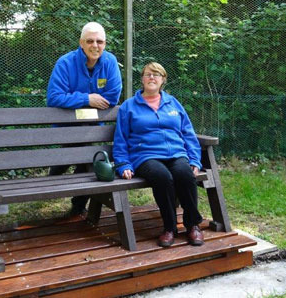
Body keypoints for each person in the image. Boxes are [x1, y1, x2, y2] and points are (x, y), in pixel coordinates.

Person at [113, 62, 204, 247]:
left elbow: (188, 133)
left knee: (185, 174)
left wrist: (194, 159)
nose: (152, 78)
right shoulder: (129, 107)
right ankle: (170, 227)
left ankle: (193, 225)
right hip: (145, 156)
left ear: (163, 80)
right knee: (162, 176)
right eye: (148, 74)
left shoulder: (173, 103)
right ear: (142, 79)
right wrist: (123, 164)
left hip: (176, 153)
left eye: (156, 74)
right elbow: (120, 139)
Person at [47, 22, 122, 216]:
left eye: (100, 41)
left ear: (105, 44)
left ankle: (71, 195)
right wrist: (88, 98)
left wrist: (73, 99)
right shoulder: (65, 63)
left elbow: (112, 97)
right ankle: (74, 199)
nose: (95, 45)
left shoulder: (110, 62)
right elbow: (54, 97)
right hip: (67, 124)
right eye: (90, 41)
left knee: (87, 153)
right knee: (87, 153)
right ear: (81, 43)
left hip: (93, 125)